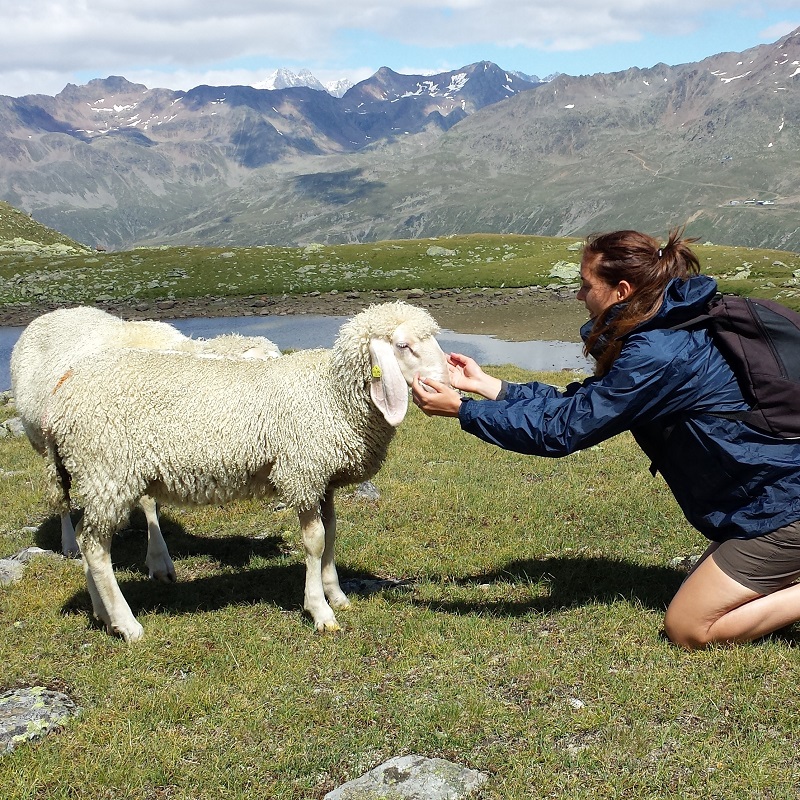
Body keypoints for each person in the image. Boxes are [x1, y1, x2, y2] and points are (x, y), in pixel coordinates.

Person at [411, 227, 800, 650]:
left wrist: (464, 412)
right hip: (768, 499)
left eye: (585, 285)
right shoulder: (667, 326)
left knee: (689, 628)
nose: (579, 296)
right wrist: (490, 386)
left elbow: (562, 430)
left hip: (784, 506)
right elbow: (581, 404)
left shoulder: (659, 354)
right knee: (715, 592)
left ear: (621, 290)